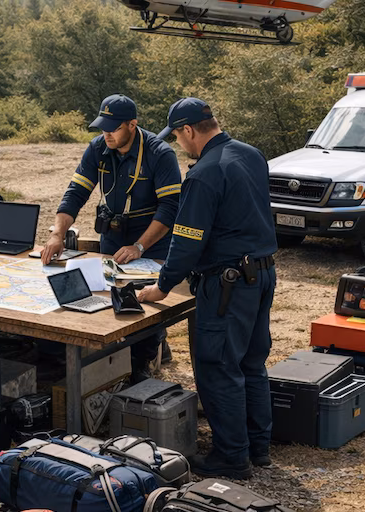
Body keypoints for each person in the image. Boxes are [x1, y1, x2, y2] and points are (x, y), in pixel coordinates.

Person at [137, 98, 278, 480]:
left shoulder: (204, 174)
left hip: (227, 284)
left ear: (188, 131)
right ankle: (257, 446)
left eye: (178, 138)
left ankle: (232, 457)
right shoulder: (251, 154)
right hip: (262, 273)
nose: (180, 145)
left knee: (218, 367)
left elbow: (187, 240)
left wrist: (163, 286)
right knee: (251, 361)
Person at [41, 94, 182, 382]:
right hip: (113, 232)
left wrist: (140, 245)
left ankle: (143, 359)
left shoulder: (159, 153)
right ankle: (116, 357)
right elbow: (76, 193)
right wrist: (57, 233)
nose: (106, 134)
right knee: (109, 294)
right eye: (103, 128)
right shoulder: (97, 148)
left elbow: (170, 209)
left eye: (114, 128)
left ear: (133, 125)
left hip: (150, 236)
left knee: (144, 300)